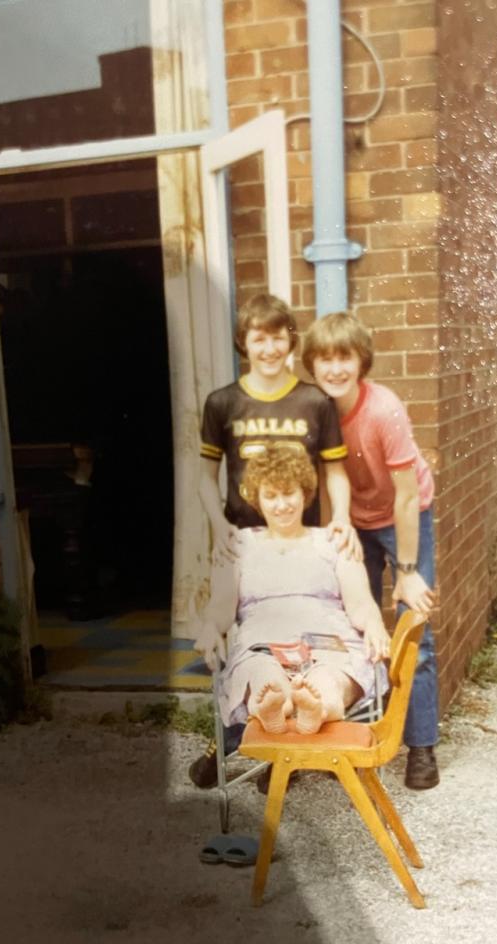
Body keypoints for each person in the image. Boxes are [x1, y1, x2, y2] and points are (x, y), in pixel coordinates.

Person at [189, 293, 359, 786]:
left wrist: (342, 518)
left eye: (277, 336)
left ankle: (283, 752)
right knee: (243, 647)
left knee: (299, 645)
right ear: (245, 342)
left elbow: (335, 471)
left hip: (295, 539)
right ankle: (236, 744)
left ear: (290, 339)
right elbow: (205, 474)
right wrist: (217, 524)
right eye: (258, 337)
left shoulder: (313, 401)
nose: (268, 347)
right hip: (242, 541)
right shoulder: (222, 402)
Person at [302, 311, 440, 790]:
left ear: (362, 361)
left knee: (412, 627)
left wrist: (407, 570)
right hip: (352, 520)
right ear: (313, 365)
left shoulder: (384, 409)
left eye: (345, 358)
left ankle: (420, 746)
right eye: (325, 359)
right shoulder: (316, 411)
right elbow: (323, 481)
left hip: (404, 516)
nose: (335, 369)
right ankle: (345, 734)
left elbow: (405, 496)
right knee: (342, 627)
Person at [194, 443, 389, 736]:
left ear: (304, 493)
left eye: (289, 493)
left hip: (330, 644)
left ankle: (316, 708)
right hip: (263, 644)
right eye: (270, 496)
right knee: (263, 676)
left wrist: (374, 624)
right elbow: (222, 607)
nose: (281, 505)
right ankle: (275, 706)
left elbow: (360, 604)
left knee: (329, 679)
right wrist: (210, 626)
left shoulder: (333, 541)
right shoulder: (238, 545)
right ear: (258, 500)